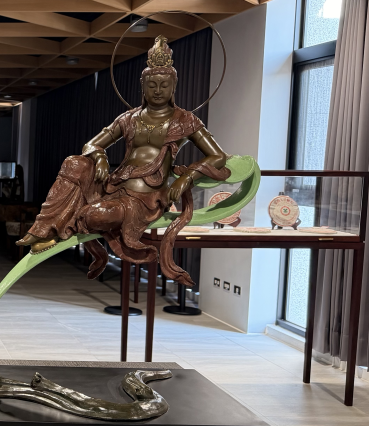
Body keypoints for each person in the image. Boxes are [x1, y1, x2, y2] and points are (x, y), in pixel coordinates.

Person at [16, 36, 229, 287]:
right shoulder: (129, 118)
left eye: (164, 85)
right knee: (74, 162)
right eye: (151, 85)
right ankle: (43, 230)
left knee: (96, 216)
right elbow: (91, 144)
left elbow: (218, 156)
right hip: (116, 184)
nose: (157, 91)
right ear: (142, 87)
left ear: (174, 87)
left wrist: (187, 178)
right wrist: (100, 157)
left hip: (145, 196)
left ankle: (65, 225)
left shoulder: (185, 120)